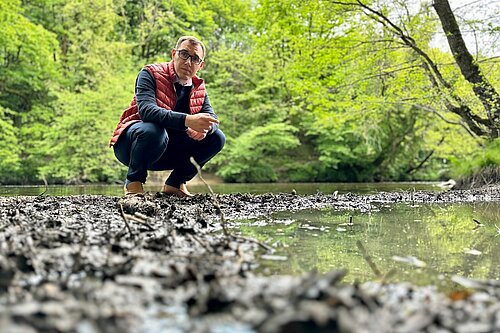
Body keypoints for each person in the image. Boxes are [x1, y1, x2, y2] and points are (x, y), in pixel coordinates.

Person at [109, 36, 225, 197]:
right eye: (184, 54)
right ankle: (133, 183)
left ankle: (175, 184)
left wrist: (206, 128)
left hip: (168, 151)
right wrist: (188, 120)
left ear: (201, 65)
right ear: (173, 54)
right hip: (132, 145)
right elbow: (146, 111)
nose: (188, 62)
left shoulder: (198, 87)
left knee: (217, 137)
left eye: (195, 59)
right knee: (153, 130)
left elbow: (212, 117)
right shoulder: (149, 73)